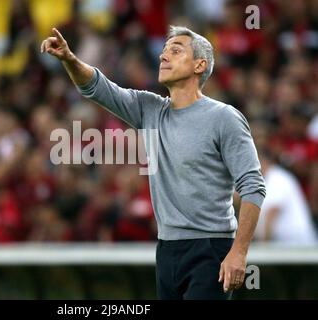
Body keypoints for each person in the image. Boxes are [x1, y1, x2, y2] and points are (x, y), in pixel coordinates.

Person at [41, 25, 266, 300]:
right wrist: (69, 59)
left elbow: (253, 185)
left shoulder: (224, 118)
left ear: (200, 65)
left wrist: (239, 252)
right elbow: (97, 88)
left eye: (175, 50)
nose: (164, 56)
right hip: (167, 250)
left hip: (211, 248)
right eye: (163, 51)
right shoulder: (149, 109)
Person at [255, 151, 317, 244]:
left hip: (298, 245)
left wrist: (263, 245)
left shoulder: (277, 178)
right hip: (287, 244)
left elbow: (271, 214)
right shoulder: (267, 179)